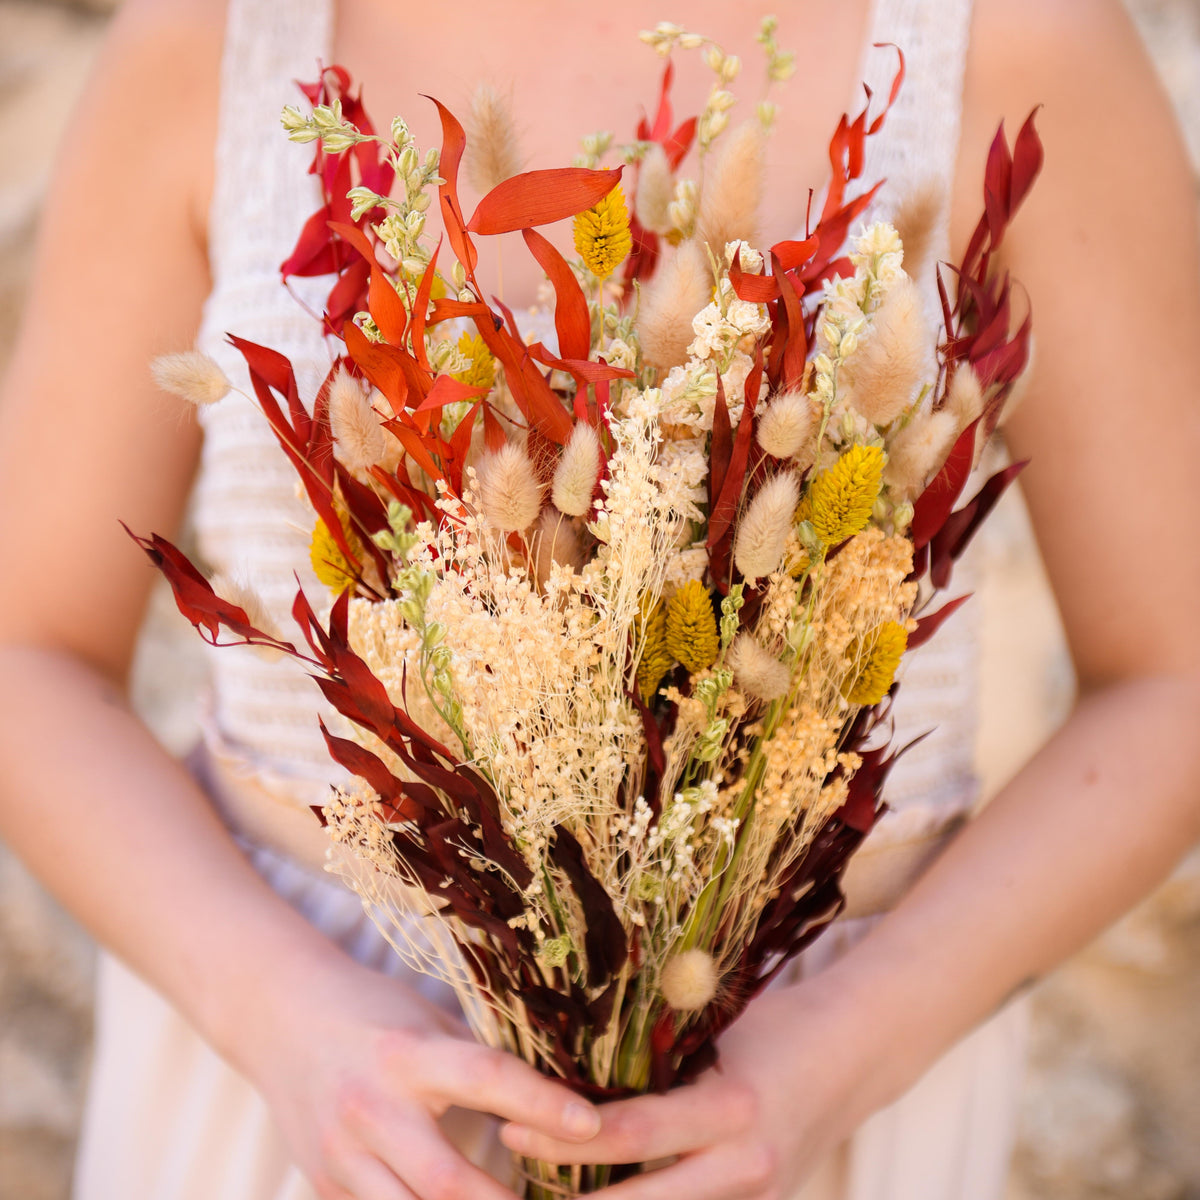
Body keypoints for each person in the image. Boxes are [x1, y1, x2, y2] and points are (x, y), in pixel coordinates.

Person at [1, 1, 1198, 1198]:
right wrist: (277, 1011)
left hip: (812, 1107)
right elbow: (29, 654)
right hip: (304, 1101)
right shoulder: (211, 41)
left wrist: (847, 1049)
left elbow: (1174, 680)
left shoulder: (1015, 40)